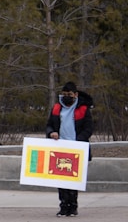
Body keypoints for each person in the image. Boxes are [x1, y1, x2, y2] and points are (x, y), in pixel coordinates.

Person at [46, 82, 93, 217]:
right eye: (64, 94)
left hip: (77, 149)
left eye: (70, 94)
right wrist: (51, 133)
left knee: (73, 180)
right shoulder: (56, 108)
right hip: (60, 148)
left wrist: (79, 141)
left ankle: (73, 206)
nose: (67, 97)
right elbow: (49, 125)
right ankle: (63, 206)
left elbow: (88, 128)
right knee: (60, 180)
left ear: (75, 95)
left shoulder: (83, 109)